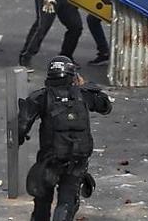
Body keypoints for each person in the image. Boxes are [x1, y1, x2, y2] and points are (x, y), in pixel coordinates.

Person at [19, 56, 112, 221]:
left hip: (50, 158)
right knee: (67, 202)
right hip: (77, 160)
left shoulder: (41, 97)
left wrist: (19, 139)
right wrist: (84, 86)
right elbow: (105, 106)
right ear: (72, 75)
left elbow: (22, 126)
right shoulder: (83, 94)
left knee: (42, 202)